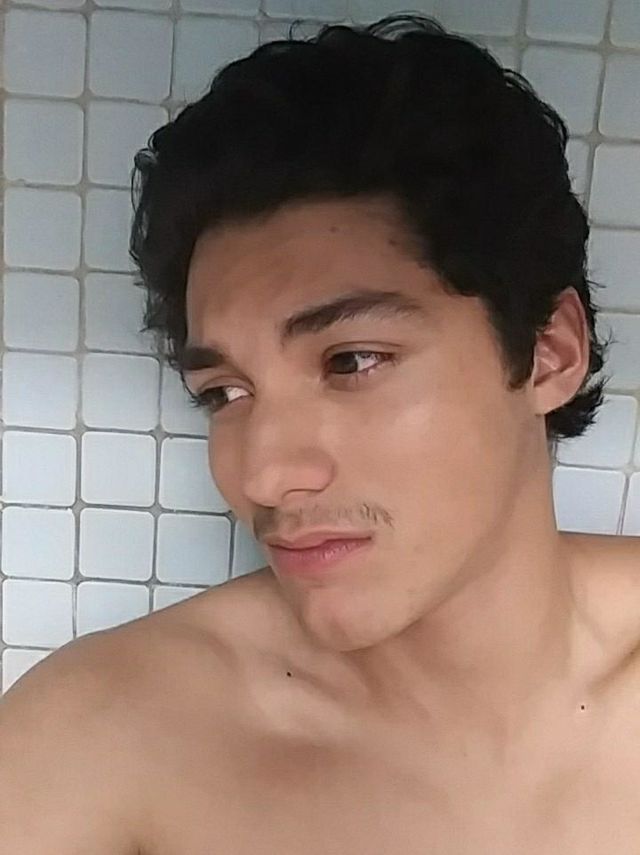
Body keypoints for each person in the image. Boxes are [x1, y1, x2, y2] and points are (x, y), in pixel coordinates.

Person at [1, 12, 637, 854]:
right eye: (225, 391)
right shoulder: (110, 739)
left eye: (353, 361)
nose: (264, 475)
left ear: (550, 353)